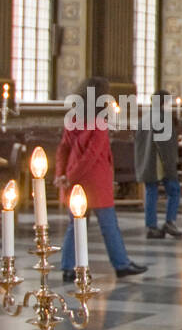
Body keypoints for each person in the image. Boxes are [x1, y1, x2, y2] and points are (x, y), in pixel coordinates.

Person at [55, 76, 149, 281]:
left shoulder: (73, 118)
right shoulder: (99, 123)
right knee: (108, 225)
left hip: (74, 179)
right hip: (94, 181)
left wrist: (62, 175)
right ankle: (121, 264)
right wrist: (69, 176)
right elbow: (91, 155)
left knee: (76, 224)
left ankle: (69, 266)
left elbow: (63, 148)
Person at [134, 88, 182, 239]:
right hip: (161, 162)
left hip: (147, 162)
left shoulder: (144, 118)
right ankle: (170, 221)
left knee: (151, 193)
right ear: (163, 103)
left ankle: (151, 226)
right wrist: (172, 164)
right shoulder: (163, 118)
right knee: (174, 190)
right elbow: (166, 145)